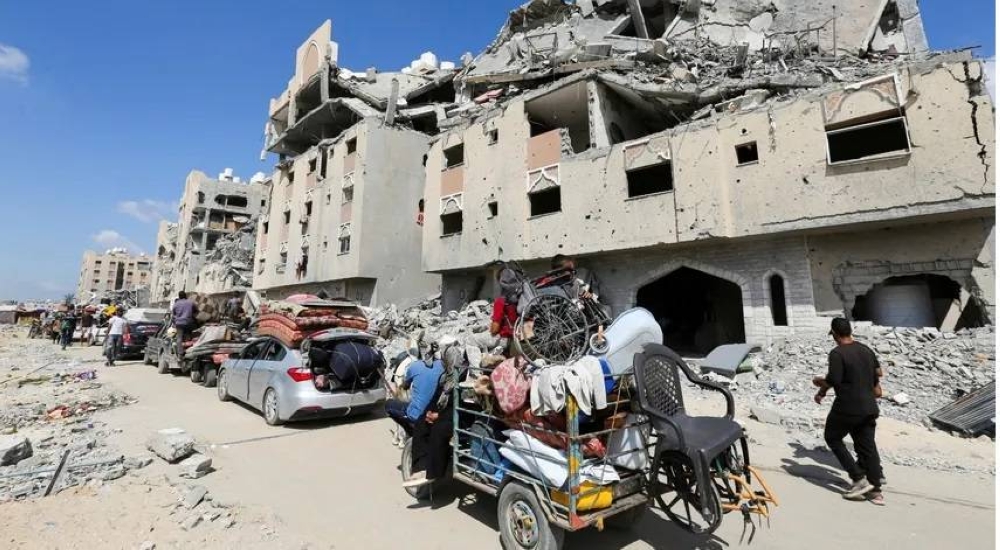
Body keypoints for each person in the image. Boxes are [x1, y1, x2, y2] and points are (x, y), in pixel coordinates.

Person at [813, 318, 885, 506]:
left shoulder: (837, 354)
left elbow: (835, 379)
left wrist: (820, 384)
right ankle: (876, 490)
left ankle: (859, 479)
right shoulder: (865, 349)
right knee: (866, 445)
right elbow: (878, 372)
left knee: (832, 437)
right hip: (869, 406)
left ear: (835, 334)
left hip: (847, 406)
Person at [385, 357, 444, 488]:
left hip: (418, 415)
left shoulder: (414, 366)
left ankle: (410, 433)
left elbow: (405, 387)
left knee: (388, 405)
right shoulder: (444, 367)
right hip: (438, 411)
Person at [171, 291, 198, 360]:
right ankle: (190, 349)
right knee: (191, 335)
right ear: (185, 296)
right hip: (189, 323)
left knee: (179, 338)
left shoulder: (176, 304)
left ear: (179, 297)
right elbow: (195, 310)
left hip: (179, 323)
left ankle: (180, 353)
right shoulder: (190, 302)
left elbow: (173, 314)